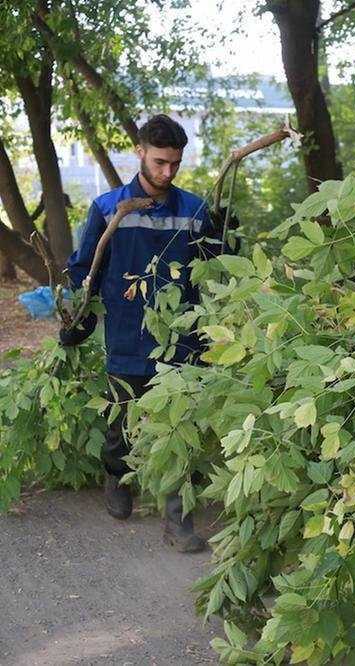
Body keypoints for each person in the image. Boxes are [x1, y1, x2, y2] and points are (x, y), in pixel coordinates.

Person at [60, 114, 230, 553]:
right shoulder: (106, 208)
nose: (168, 172)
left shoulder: (193, 210)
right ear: (140, 153)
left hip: (181, 341)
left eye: (175, 163)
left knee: (177, 427)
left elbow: (214, 268)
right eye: (159, 162)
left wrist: (226, 239)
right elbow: (84, 270)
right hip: (126, 335)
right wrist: (78, 316)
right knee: (121, 420)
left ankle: (178, 521)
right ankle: (117, 479)